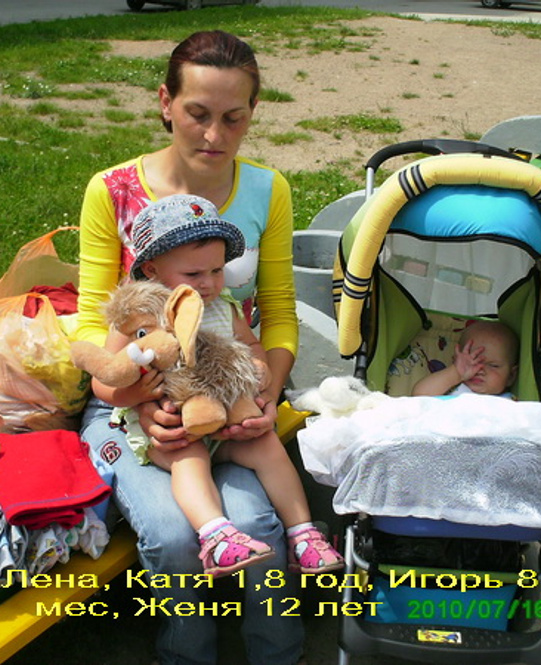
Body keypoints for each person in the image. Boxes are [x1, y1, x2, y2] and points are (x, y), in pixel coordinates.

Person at [75, 30, 306, 665]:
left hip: (232, 392)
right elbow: (93, 324)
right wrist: (143, 401)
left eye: (234, 118)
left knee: (256, 526)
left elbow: (279, 313)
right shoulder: (112, 190)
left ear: (254, 111)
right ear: (165, 103)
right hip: (129, 401)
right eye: (198, 113)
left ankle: (279, 655)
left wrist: (267, 390)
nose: (214, 135)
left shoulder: (268, 189)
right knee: (175, 537)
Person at [94, 194, 344, 578]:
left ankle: (303, 534)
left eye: (216, 270)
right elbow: (104, 380)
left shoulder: (222, 306)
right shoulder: (140, 317)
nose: (209, 283)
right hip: (173, 430)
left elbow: (251, 344)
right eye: (194, 274)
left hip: (226, 423)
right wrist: (139, 395)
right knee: (189, 457)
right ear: (152, 270)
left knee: (267, 448)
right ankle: (216, 536)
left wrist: (259, 367)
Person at [411, 320, 519, 398]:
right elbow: (419, 396)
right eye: (472, 361)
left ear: (511, 376)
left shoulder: (510, 405)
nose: (479, 370)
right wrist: (456, 373)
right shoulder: (449, 387)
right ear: (456, 361)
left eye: (493, 366)